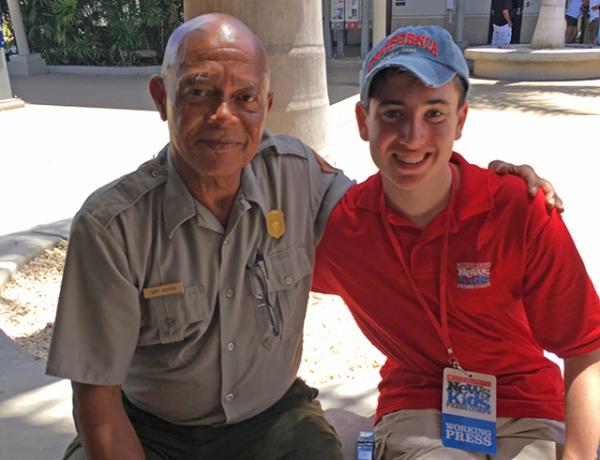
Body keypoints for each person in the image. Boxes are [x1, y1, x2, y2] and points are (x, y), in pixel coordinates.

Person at [46, 14, 562, 460]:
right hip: (152, 429)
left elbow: (398, 204)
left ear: (265, 106)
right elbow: (98, 401)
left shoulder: (295, 176)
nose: (224, 115)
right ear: (163, 97)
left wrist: (498, 186)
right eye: (200, 91)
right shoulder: (113, 225)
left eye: (244, 98)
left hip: (271, 421)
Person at [313, 25, 600, 459]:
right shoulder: (341, 227)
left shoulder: (519, 209)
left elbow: (586, 347)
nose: (412, 137)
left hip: (527, 404)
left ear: (460, 120)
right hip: (417, 405)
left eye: (434, 113)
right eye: (392, 113)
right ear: (362, 121)